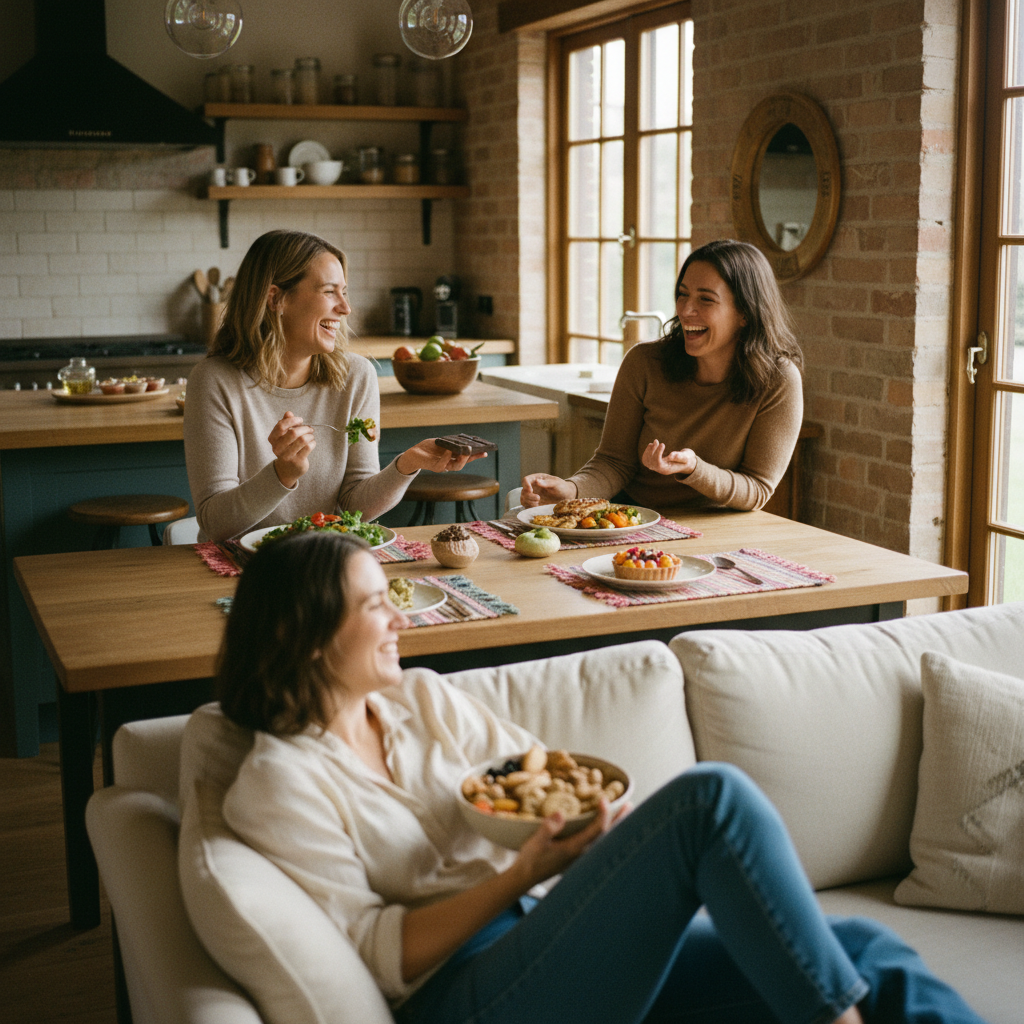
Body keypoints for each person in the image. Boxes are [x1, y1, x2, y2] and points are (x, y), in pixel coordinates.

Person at [212, 530, 988, 1024]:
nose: (401, 620)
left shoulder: (420, 700)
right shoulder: (278, 782)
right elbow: (379, 952)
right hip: (463, 996)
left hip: (549, 934)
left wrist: (578, 835)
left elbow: (540, 770)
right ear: (304, 635)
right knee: (709, 802)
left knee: (865, 951)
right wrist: (520, 871)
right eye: (377, 606)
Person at [184, 229, 483, 542]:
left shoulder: (356, 376)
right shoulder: (213, 381)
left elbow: (356, 502)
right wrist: (281, 475)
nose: (345, 308)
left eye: (344, 292)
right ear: (276, 298)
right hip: (240, 571)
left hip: (327, 559)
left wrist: (407, 465)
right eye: (329, 292)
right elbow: (214, 522)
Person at [522, 239, 804, 513]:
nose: (686, 310)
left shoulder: (778, 380)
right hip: (631, 516)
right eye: (683, 294)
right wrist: (571, 490)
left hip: (717, 525)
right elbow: (613, 461)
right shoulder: (644, 362)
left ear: (744, 313)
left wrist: (695, 468)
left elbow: (757, 488)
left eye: (705, 299)